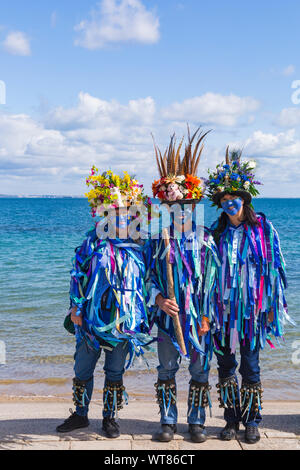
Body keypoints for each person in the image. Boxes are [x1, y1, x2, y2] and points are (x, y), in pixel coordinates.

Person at [56, 168, 154, 438]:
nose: (119, 217)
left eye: (125, 213)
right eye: (113, 212)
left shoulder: (141, 246)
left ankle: (110, 418)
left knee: (114, 370)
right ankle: (80, 414)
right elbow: (78, 275)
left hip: (124, 321)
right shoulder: (92, 242)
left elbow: (149, 281)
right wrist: (75, 306)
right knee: (83, 367)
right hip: (90, 318)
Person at [206, 148, 294, 444]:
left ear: (245, 200)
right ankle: (231, 419)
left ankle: (253, 420)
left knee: (251, 366)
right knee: (226, 367)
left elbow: (274, 269)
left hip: (252, 313)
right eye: (225, 201)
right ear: (220, 205)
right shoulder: (215, 234)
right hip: (222, 313)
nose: (230, 204)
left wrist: (271, 306)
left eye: (235, 199)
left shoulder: (263, 230)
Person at [147, 129, 220, 443]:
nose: (181, 211)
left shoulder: (206, 239)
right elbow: (146, 278)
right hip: (168, 316)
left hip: (200, 318)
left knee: (200, 371)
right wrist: (160, 299)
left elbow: (216, 284)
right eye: (175, 206)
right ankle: (167, 421)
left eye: (187, 205)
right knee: (166, 369)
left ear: (193, 206)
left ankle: (197, 422)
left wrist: (208, 316)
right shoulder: (156, 238)